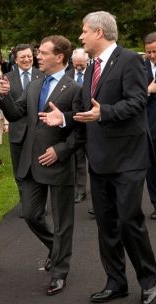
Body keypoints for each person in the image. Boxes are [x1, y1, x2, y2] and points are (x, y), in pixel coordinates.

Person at [39, 11, 156, 304]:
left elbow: (137, 101)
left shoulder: (131, 60)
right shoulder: (91, 66)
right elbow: (82, 108)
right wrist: (64, 118)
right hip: (100, 159)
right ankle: (116, 282)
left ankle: (147, 281)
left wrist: (103, 112)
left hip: (129, 157)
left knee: (130, 220)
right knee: (106, 224)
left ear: (99, 32)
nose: (80, 37)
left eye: (84, 31)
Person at [0, 35, 85, 296]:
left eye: (43, 53)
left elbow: (80, 130)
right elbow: (16, 114)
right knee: (32, 214)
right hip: (31, 163)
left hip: (58, 163)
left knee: (63, 223)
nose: (37, 56)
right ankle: (54, 249)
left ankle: (59, 272)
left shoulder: (74, 88)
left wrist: (60, 151)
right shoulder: (36, 84)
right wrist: (3, 98)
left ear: (59, 56)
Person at [5, 44, 43, 215]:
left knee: (38, 169)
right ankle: (25, 204)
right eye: (23, 57)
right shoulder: (7, 78)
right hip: (17, 132)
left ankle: (40, 204)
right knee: (19, 171)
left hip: (39, 131)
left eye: (29, 56)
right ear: (15, 59)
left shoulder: (42, 75)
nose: (27, 59)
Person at [67, 48, 89, 205]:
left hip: (92, 124)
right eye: (76, 64)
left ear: (87, 61)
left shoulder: (94, 74)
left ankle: (100, 191)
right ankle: (79, 191)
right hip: (74, 124)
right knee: (78, 159)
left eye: (82, 64)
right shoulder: (67, 76)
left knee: (95, 161)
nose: (79, 67)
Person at [143, 32, 156, 220]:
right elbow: (131, 93)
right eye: (149, 52)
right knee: (152, 169)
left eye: (155, 51)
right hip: (149, 127)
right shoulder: (141, 67)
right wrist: (147, 90)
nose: (152, 56)